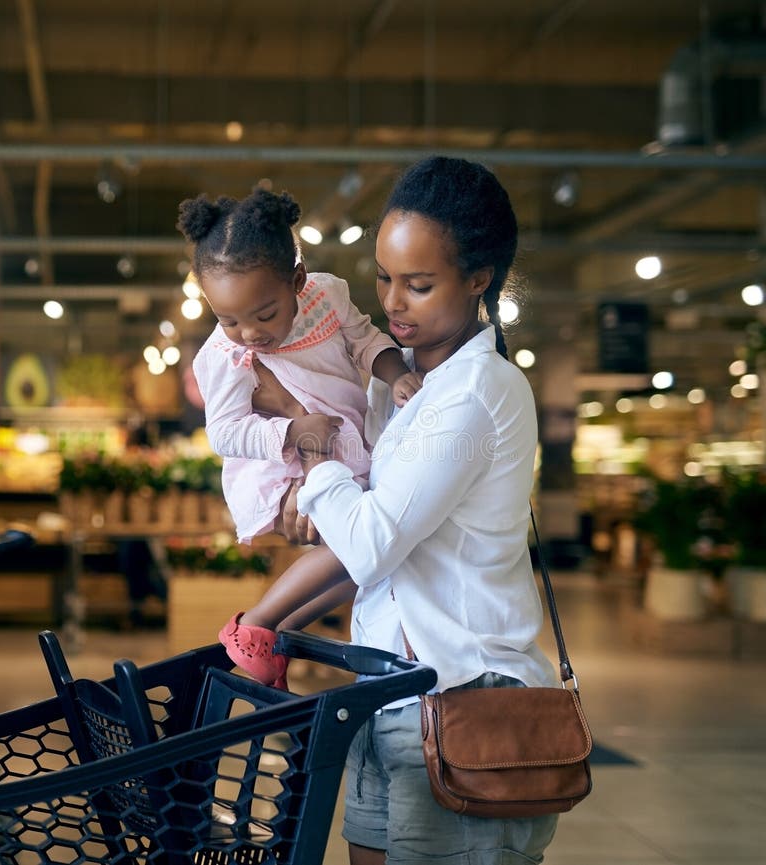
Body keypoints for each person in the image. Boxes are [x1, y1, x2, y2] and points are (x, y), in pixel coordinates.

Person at [269, 156, 560, 864]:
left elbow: (369, 542)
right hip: (386, 696)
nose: (394, 302)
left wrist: (316, 459)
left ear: (479, 277)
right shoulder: (405, 393)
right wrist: (267, 621)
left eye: (419, 284)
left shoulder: (474, 393)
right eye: (384, 279)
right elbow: (375, 559)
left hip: (467, 698)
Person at [177, 187, 422, 689]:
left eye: (264, 314)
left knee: (369, 560)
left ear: (298, 281)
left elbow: (365, 339)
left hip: (340, 447)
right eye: (227, 319)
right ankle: (257, 625)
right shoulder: (224, 356)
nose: (248, 333)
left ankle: (277, 632)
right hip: (280, 462)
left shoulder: (328, 296)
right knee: (362, 544)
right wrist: (293, 430)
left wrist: (394, 371)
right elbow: (224, 431)